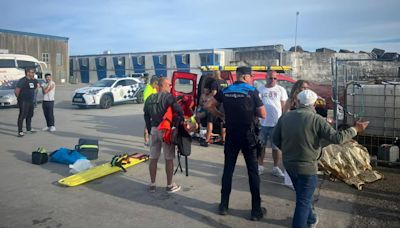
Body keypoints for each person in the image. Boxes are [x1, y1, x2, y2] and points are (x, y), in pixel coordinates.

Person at [272, 89, 369, 228]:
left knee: (303, 197)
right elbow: (338, 138)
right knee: (303, 200)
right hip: (307, 167)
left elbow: (275, 139)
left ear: (298, 102)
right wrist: (355, 129)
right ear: (314, 104)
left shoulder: (285, 117)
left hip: (289, 165)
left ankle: (311, 219)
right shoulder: (316, 120)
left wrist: (288, 151)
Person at [206, 66, 267, 221]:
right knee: (252, 172)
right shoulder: (251, 91)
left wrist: (221, 116)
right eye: (251, 76)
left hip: (231, 134)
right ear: (246, 77)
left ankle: (224, 206)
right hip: (248, 135)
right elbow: (263, 114)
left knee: (228, 170)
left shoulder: (226, 90)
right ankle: (255, 210)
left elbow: (208, 105)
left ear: (237, 76)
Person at [143, 78, 184, 193]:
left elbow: (146, 115)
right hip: (165, 130)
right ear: (163, 85)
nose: (171, 87)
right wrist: (178, 123)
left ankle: (152, 184)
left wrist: (150, 127)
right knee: (169, 158)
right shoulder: (168, 97)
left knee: (153, 158)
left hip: (154, 130)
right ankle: (170, 185)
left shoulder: (149, 98)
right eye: (169, 85)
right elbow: (179, 110)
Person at [257, 70, 288, 177]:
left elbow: (284, 106)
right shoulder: (261, 89)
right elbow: (257, 105)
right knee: (261, 146)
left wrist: (283, 120)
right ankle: (260, 166)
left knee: (276, 148)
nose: (273, 80)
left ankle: (275, 167)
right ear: (266, 78)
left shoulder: (281, 90)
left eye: (275, 78)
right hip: (263, 123)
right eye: (271, 78)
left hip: (276, 124)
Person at [15, 67, 40, 137]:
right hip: (23, 101)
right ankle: (20, 131)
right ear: (27, 73)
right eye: (32, 72)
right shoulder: (22, 80)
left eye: (33, 72)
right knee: (22, 115)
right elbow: (17, 91)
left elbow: (36, 88)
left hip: (31, 101)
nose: (33, 74)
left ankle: (28, 129)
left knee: (30, 115)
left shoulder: (34, 80)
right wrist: (20, 99)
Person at [143, 76, 159, 146]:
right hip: (149, 110)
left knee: (153, 126)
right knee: (147, 126)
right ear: (154, 83)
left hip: (154, 110)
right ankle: (146, 141)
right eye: (156, 84)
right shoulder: (147, 89)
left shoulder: (154, 88)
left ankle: (153, 140)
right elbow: (147, 101)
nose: (156, 86)